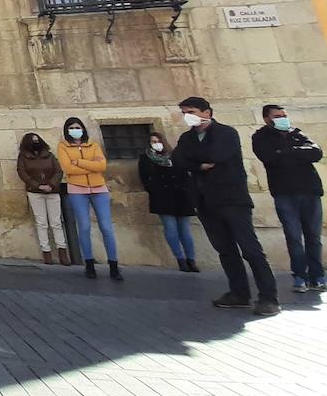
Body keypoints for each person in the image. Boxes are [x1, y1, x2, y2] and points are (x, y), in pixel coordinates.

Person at [174, 96, 280, 316]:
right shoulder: (187, 138)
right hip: (204, 201)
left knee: (250, 250)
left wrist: (195, 162)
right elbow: (178, 160)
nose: (188, 116)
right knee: (225, 250)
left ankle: (269, 297)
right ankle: (239, 293)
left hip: (231, 199)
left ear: (207, 112)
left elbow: (215, 155)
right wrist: (200, 164)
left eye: (192, 111)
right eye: (184, 112)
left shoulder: (225, 133)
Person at [252, 105, 327, 293]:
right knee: (294, 236)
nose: (282, 118)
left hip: (310, 191)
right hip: (285, 193)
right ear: (267, 119)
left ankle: (318, 277)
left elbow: (316, 152)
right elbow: (270, 157)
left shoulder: (296, 133)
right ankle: (299, 277)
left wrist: (287, 152)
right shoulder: (261, 137)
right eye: (277, 116)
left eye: (284, 115)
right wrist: (298, 153)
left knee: (314, 236)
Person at [57, 117, 123, 281]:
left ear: (83, 129)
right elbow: (67, 168)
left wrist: (79, 162)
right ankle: (89, 264)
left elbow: (101, 166)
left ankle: (114, 265)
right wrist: (89, 165)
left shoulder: (93, 145)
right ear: (67, 130)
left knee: (106, 228)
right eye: (71, 128)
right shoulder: (62, 146)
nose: (75, 130)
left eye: (77, 127)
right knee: (84, 227)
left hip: (99, 189)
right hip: (77, 190)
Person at [138, 131, 199, 272]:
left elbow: (185, 175)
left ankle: (191, 259)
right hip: (162, 197)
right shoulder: (146, 158)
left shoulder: (174, 156)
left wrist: (189, 193)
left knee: (185, 229)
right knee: (170, 228)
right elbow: (145, 178)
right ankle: (180, 259)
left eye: (158, 141)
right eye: (153, 142)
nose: (156, 144)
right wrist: (154, 190)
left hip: (180, 196)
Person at [15, 132, 67, 265]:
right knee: (42, 222)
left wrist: (51, 185)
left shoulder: (49, 156)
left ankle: (62, 252)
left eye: (37, 140)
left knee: (56, 222)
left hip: (52, 192)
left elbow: (58, 171)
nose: (35, 143)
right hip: (35, 192)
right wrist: (37, 185)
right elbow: (22, 173)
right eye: (33, 141)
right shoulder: (23, 157)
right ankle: (46, 252)